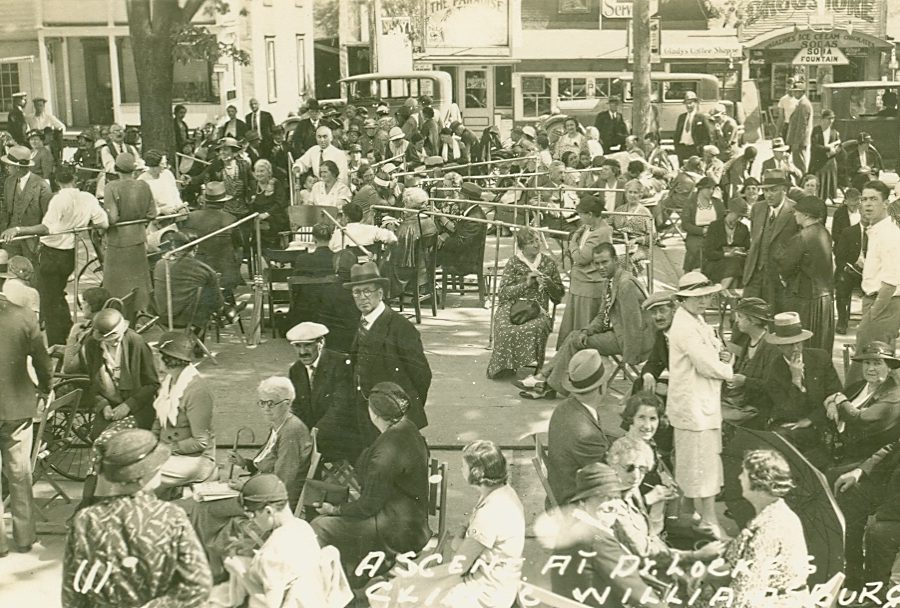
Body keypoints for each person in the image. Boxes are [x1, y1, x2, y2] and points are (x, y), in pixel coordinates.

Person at [62, 429, 212, 606]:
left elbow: (73, 591)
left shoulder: (86, 520)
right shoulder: (171, 517)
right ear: (144, 476)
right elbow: (198, 585)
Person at [374, 440, 524, 608]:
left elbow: (459, 564)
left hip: (484, 591)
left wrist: (455, 544)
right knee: (403, 586)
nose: (461, 469)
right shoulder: (503, 492)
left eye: (463, 466)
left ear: (476, 472)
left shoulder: (490, 512)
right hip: (494, 580)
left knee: (404, 592)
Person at [311, 382, 431, 578]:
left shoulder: (386, 450)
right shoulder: (408, 428)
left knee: (320, 527)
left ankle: (339, 589)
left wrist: (335, 510)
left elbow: (368, 506)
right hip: (411, 522)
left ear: (374, 414)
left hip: (396, 530)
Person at [520, 244, 650, 399]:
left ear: (615, 260)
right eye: (597, 263)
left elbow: (633, 324)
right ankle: (545, 382)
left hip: (634, 341)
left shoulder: (625, 284)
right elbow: (602, 315)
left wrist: (632, 356)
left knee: (576, 340)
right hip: (619, 332)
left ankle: (544, 381)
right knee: (576, 335)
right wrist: (587, 331)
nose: (600, 267)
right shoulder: (609, 281)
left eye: (605, 262)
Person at [0, 165, 107, 345]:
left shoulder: (58, 200)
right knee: (57, 293)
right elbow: (102, 222)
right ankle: (67, 330)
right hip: (69, 254)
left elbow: (46, 228)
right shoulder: (88, 198)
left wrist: (18, 229)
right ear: (75, 179)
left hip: (52, 254)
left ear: (56, 181)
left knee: (48, 300)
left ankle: (56, 344)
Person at [217, 474, 351, 608]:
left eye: (252, 514)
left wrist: (241, 573)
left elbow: (269, 605)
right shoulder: (303, 527)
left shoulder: (271, 553)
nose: (252, 520)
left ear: (268, 511)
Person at [699, 450, 811, 608]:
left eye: (744, 474)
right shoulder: (775, 513)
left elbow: (745, 594)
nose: (739, 478)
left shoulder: (768, 528)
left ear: (760, 482)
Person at [668, 271, 733, 537]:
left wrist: (724, 358)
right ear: (683, 298)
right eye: (696, 297)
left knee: (700, 463)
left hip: (702, 405)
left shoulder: (697, 320)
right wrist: (728, 369)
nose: (703, 301)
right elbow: (707, 364)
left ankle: (691, 517)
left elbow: (717, 351)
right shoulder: (684, 326)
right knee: (699, 466)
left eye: (706, 296)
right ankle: (708, 521)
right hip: (693, 408)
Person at [346, 261, 432, 444]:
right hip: (366, 415)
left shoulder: (401, 328)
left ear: (380, 293)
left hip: (394, 419)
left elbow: (422, 376)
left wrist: (403, 412)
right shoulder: (358, 323)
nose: (362, 297)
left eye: (367, 291)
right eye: (357, 292)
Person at [0, 286, 51, 558]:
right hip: (17, 404)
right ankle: (25, 537)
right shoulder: (25, 316)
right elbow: (42, 360)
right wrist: (45, 387)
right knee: (20, 473)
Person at [763, 312, 841, 463]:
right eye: (789, 344)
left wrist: (811, 419)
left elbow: (835, 391)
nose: (795, 348)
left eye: (798, 342)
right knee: (780, 442)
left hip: (821, 420)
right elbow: (788, 409)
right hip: (791, 423)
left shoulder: (820, 357)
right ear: (779, 346)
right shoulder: (774, 369)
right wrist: (796, 379)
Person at [487, 228, 564, 379]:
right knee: (504, 328)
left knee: (535, 326)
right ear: (522, 247)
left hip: (538, 309)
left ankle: (525, 365)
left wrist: (549, 283)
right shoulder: (514, 263)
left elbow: (558, 296)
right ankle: (505, 366)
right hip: (512, 307)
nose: (536, 245)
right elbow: (503, 294)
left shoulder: (548, 264)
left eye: (537, 240)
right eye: (531, 242)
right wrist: (526, 284)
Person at [229, 379, 312, 511]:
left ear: (288, 403)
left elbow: (283, 479)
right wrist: (245, 463)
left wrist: (247, 487)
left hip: (274, 502)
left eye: (271, 403)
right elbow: (270, 464)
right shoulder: (278, 425)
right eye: (262, 403)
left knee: (207, 507)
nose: (266, 408)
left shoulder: (291, 431)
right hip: (264, 491)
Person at [847, 180, 900, 385]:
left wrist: (873, 313)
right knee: (874, 362)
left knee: (871, 362)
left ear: (886, 203)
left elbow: (890, 282)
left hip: (884, 304)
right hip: (874, 301)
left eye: (874, 199)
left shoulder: (889, 234)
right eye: (864, 199)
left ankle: (858, 409)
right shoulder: (875, 230)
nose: (867, 204)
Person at [545, 350, 613, 506]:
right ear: (602, 387)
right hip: (574, 505)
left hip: (561, 489)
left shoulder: (564, 407)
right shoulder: (587, 435)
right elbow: (607, 479)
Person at [151, 332, 216, 491]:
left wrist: (165, 449)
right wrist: (151, 442)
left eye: (160, 355)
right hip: (170, 452)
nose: (157, 358)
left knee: (142, 475)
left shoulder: (197, 391)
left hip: (196, 460)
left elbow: (201, 441)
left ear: (171, 360)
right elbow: (160, 419)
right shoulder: (169, 382)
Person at [285, 322, 356, 463]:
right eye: (297, 346)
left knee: (292, 450)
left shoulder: (341, 364)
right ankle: (259, 469)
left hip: (341, 434)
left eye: (308, 345)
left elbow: (340, 407)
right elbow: (298, 407)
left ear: (321, 342)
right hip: (312, 435)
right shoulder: (296, 370)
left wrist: (314, 434)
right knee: (285, 435)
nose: (302, 352)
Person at [102, 152, 157, 319]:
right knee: (137, 283)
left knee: (116, 286)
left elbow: (113, 218)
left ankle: (116, 317)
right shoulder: (143, 186)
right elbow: (152, 213)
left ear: (116, 169)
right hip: (139, 238)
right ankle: (136, 315)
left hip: (118, 241)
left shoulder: (111, 187)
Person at [777, 195, 834, 353]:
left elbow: (785, 265)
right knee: (820, 343)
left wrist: (785, 278)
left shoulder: (801, 237)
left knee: (804, 344)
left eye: (797, 212)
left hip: (805, 297)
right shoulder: (824, 233)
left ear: (806, 215)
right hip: (824, 297)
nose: (795, 215)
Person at [742, 169, 799, 313]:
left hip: (778, 278)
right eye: (765, 191)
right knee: (746, 316)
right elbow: (755, 240)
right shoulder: (758, 208)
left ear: (784, 189)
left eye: (773, 190)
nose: (768, 195)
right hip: (755, 273)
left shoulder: (795, 210)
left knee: (775, 320)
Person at [720, 298, 780, 428]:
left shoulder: (771, 347)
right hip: (740, 402)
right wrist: (728, 363)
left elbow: (774, 386)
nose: (736, 321)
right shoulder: (749, 342)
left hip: (757, 408)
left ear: (754, 320)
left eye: (740, 317)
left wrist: (744, 381)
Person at [152, 231, 224, 332]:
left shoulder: (159, 264)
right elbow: (217, 303)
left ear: (173, 246)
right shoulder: (204, 269)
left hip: (162, 318)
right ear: (196, 248)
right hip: (189, 321)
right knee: (209, 297)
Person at [183, 182, 243, 297]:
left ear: (205, 200)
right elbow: (239, 246)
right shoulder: (230, 219)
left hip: (198, 270)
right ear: (224, 202)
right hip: (224, 271)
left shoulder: (191, 217)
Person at [0, 145, 53, 269]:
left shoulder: (41, 185)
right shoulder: (9, 182)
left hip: (31, 241)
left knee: (31, 274)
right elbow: (5, 210)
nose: (6, 167)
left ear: (18, 167)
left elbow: (48, 219)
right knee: (10, 272)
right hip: (10, 241)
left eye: (9, 165)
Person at [436, 181, 487, 277]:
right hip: (464, 256)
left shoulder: (474, 218)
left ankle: (424, 286)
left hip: (464, 262)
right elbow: (460, 233)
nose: (457, 200)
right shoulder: (472, 212)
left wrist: (445, 239)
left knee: (426, 253)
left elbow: (461, 243)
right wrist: (446, 235)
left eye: (459, 197)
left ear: (466, 199)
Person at [702, 196, 750, 289]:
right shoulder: (715, 226)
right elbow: (708, 252)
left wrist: (744, 252)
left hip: (738, 263)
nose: (739, 219)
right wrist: (727, 254)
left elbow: (748, 247)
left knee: (736, 263)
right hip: (717, 263)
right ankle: (724, 290)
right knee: (734, 265)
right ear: (729, 212)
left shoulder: (743, 228)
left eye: (741, 217)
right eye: (737, 215)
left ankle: (721, 290)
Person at [682, 176, 725, 272]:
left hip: (714, 233)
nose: (711, 191)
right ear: (701, 188)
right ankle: (690, 275)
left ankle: (712, 274)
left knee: (717, 248)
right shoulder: (690, 203)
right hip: (696, 233)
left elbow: (722, 220)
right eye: (708, 188)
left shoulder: (717, 203)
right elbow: (685, 224)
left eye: (713, 188)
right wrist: (702, 231)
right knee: (695, 248)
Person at [834, 204, 864, 336]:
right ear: (860, 213)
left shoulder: (883, 233)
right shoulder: (849, 232)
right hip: (851, 271)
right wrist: (847, 267)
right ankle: (842, 320)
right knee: (842, 283)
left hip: (874, 273)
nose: (868, 216)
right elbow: (839, 257)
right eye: (865, 212)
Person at [248, 158, 289, 249]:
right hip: (257, 218)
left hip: (274, 216)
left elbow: (281, 202)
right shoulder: (253, 185)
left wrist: (267, 214)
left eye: (262, 171)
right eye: (257, 171)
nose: (259, 174)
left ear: (269, 172)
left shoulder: (275, 183)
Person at [329, 201, 397, 253]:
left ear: (347, 218)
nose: (341, 218)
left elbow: (331, 249)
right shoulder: (372, 230)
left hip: (345, 268)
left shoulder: (339, 233)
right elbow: (393, 238)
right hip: (367, 266)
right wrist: (391, 230)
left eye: (342, 215)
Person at [138, 150, 187, 216]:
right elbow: (143, 206)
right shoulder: (142, 181)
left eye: (165, 163)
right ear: (153, 166)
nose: (165, 166)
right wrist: (160, 211)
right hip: (158, 217)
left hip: (175, 213)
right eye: (162, 164)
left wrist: (181, 206)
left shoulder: (167, 174)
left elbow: (175, 194)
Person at [810, 109, 841, 200]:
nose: (831, 121)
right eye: (828, 118)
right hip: (818, 163)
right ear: (822, 119)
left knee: (828, 188)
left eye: (832, 118)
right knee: (818, 187)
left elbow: (839, 146)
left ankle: (826, 199)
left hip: (830, 163)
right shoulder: (816, 131)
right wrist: (828, 148)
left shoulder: (834, 132)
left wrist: (835, 151)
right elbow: (814, 146)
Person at [674, 91, 713, 163]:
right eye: (686, 103)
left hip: (694, 149)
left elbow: (707, 136)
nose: (688, 105)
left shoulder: (701, 117)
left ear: (695, 103)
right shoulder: (682, 117)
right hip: (682, 149)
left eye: (690, 103)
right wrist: (677, 148)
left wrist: (700, 149)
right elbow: (677, 134)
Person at [786, 80, 813, 174]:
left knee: (799, 165)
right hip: (798, 140)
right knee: (797, 163)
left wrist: (796, 142)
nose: (794, 93)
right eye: (794, 91)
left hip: (799, 141)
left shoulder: (804, 104)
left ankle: (802, 183)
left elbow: (802, 126)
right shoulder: (801, 103)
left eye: (797, 91)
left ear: (802, 92)